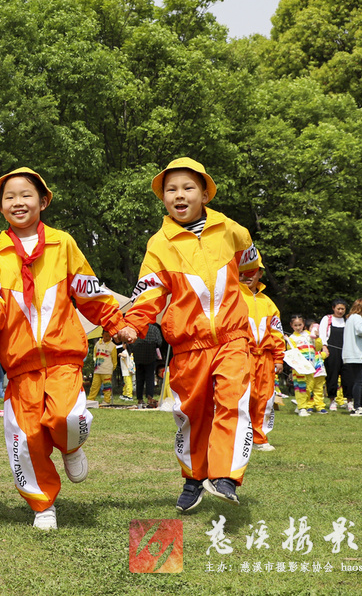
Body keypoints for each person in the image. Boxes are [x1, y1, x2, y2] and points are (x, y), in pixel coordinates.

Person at [0, 168, 133, 530]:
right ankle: (43, 506)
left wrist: (117, 324)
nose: (18, 202)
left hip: (63, 357)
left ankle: (71, 447)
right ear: (1, 207)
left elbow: (89, 292)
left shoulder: (63, 244)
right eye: (9, 197)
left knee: (65, 419)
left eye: (26, 195)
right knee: (27, 438)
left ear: (42, 202)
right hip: (20, 363)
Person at [124, 157, 259, 513]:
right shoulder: (159, 244)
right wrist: (133, 324)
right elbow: (148, 293)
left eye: (188, 188)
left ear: (205, 194)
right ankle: (193, 478)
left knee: (233, 401)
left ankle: (225, 476)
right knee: (191, 414)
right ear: (163, 198)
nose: (179, 195)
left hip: (232, 337)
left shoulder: (231, 230)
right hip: (188, 345)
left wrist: (247, 286)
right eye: (171, 190)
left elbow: (250, 264)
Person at [238, 255, 285, 450]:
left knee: (264, 398)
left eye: (253, 271)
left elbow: (277, 333)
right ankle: (238, 437)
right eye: (244, 271)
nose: (248, 275)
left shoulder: (269, 303)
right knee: (241, 396)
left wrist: (279, 358)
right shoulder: (232, 297)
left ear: (260, 273)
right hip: (241, 355)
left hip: (265, 357)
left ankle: (259, 438)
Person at [318, 300, 349, 412]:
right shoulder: (327, 319)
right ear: (333, 308)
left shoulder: (347, 320)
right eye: (338, 309)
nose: (340, 311)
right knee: (332, 375)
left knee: (347, 376)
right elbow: (322, 334)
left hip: (345, 350)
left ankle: (349, 400)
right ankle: (332, 400)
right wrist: (324, 347)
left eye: (342, 309)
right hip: (332, 350)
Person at [130, 323, 163, 408]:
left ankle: (140, 399)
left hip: (138, 354)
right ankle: (149, 397)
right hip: (150, 354)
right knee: (150, 377)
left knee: (139, 378)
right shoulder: (154, 329)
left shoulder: (136, 328)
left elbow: (131, 342)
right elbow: (159, 342)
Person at [87, 331, 118, 403]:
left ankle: (107, 401)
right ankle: (90, 400)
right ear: (102, 335)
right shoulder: (98, 343)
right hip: (98, 370)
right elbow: (95, 354)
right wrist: (96, 363)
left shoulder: (112, 346)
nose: (107, 337)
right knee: (94, 386)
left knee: (107, 386)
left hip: (107, 370)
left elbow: (114, 360)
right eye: (106, 336)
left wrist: (112, 368)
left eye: (109, 336)